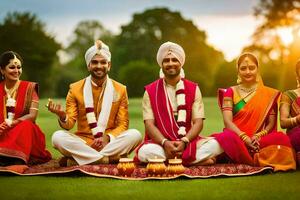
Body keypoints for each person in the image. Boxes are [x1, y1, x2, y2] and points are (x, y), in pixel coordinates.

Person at [48, 40, 142, 166]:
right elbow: (69, 124)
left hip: (109, 142)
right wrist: (62, 116)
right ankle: (108, 160)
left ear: (109, 65)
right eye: (95, 62)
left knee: (135, 135)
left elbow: (123, 124)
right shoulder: (75, 89)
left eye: (103, 62)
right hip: (84, 142)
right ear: (88, 65)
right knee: (57, 137)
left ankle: (80, 159)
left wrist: (107, 138)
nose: (99, 66)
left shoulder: (120, 89)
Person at [136, 41, 223, 166]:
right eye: (166, 60)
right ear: (162, 64)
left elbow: (198, 122)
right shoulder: (150, 91)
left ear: (180, 63)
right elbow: (149, 125)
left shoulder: (193, 88)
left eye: (174, 60)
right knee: (145, 152)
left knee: (218, 144)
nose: (171, 63)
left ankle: (173, 161)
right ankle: (192, 161)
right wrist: (165, 143)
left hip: (188, 142)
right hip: (160, 143)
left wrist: (185, 141)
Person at [213, 52, 296, 171]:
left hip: (259, 140)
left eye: (251, 68)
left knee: (281, 138)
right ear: (238, 71)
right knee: (227, 137)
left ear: (257, 69)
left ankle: (247, 156)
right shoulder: (230, 92)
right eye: (243, 68)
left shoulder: (269, 94)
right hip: (236, 137)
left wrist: (257, 136)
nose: (248, 72)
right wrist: (245, 138)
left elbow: (270, 124)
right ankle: (258, 157)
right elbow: (227, 122)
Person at [0, 51, 51, 166]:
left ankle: (14, 158)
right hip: (2, 132)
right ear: (2, 70)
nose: (16, 71)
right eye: (12, 67)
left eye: (19, 67)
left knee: (26, 125)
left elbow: (32, 116)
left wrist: (14, 122)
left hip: (23, 133)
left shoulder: (29, 87)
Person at [280, 60, 300, 166]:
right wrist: (297, 119)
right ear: (297, 75)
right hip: (297, 134)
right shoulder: (288, 95)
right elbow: (283, 122)